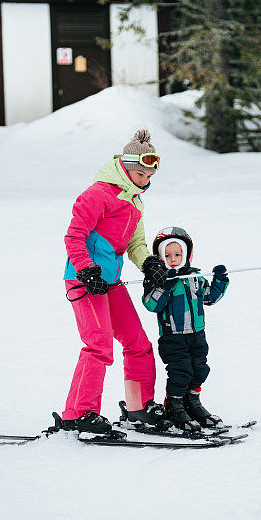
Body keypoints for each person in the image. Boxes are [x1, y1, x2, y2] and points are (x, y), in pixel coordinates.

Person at [62, 129, 173, 434]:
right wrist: (86, 270)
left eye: (149, 175)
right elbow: (74, 236)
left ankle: (139, 408)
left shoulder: (135, 202)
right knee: (98, 345)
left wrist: (149, 263)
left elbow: (136, 244)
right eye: (139, 173)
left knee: (138, 343)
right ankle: (79, 413)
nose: (144, 180)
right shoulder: (97, 194)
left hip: (110, 284)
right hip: (84, 282)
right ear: (124, 167)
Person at [142, 227, 229, 432]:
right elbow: (151, 305)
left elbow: (210, 297)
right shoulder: (158, 281)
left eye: (178, 254)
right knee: (181, 371)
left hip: (197, 335)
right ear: (160, 257)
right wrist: (166, 285)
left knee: (200, 369)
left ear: (187, 255)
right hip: (173, 337)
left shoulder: (195, 278)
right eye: (168, 255)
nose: (173, 259)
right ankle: (174, 405)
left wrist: (220, 280)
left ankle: (192, 403)